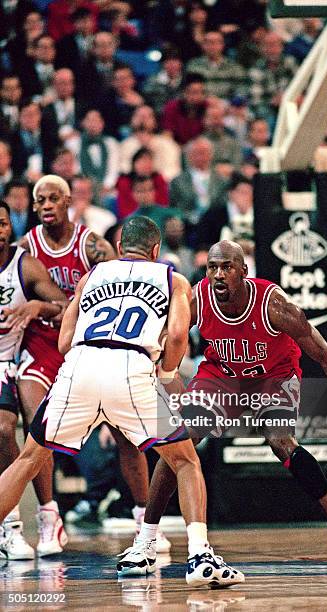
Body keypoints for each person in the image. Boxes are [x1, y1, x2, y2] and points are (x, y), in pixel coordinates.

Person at [123, 240, 327, 576]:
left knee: (280, 441)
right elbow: (164, 339)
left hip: (274, 377)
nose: (218, 274)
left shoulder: (275, 306)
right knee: (178, 441)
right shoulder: (197, 299)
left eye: (227, 267)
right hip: (222, 376)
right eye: (213, 267)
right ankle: (146, 542)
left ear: (244, 271)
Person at [0, 217, 244, 588]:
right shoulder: (173, 279)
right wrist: (165, 373)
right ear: (156, 250)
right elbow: (178, 334)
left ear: (120, 246)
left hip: (80, 365)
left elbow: (64, 342)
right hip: (131, 368)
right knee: (184, 461)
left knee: (29, 459)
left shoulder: (93, 275)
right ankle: (200, 556)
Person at [15, 173, 117, 557]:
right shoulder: (26, 248)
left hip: (84, 345)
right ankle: (48, 514)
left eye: (52, 199)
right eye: (39, 200)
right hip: (42, 345)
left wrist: (53, 307)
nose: (44, 206)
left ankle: (144, 517)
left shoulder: (92, 245)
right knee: (36, 419)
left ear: (69, 200)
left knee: (125, 433)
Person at [0, 200, 67, 560]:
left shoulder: (24, 264)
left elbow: (66, 305)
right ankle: (9, 525)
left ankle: (48, 513)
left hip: (17, 356)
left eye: (3, 224)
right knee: (1, 427)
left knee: (37, 420)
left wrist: (37, 307)